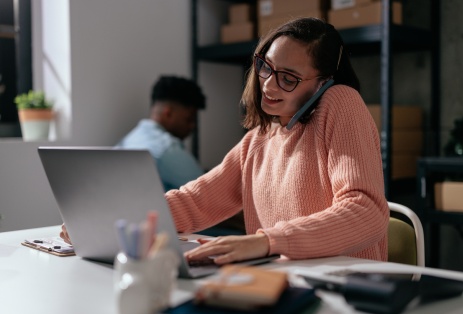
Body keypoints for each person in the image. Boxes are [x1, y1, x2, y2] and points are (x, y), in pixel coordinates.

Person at [62, 18, 388, 264]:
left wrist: (266, 241)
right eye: (265, 67)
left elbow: (367, 211)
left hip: (345, 288)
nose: (269, 86)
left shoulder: (340, 102)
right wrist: (109, 220)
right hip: (283, 282)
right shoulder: (259, 140)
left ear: (322, 84)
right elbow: (194, 202)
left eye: (288, 78)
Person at [116, 75, 206, 191]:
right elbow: (209, 194)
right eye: (189, 119)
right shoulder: (167, 148)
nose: (192, 126)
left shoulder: (126, 141)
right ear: (168, 113)